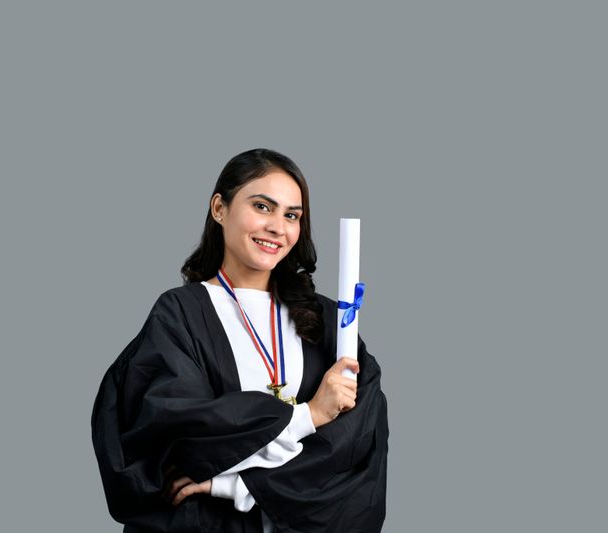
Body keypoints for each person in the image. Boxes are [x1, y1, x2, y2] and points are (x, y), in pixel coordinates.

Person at [91, 148, 388, 532]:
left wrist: (231, 484)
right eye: (262, 207)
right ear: (219, 208)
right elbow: (181, 438)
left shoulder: (330, 324)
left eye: (292, 215)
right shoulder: (180, 315)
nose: (278, 227)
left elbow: (352, 451)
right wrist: (308, 416)